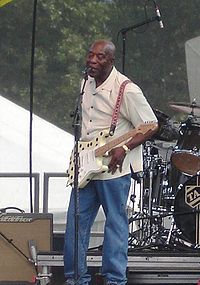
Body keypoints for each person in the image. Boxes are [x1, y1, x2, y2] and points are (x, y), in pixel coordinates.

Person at [64, 39, 158, 285]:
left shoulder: (127, 89)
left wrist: (124, 147)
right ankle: (76, 278)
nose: (92, 60)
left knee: (115, 223)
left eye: (99, 57)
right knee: (76, 224)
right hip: (86, 166)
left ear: (110, 60)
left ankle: (115, 280)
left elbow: (151, 125)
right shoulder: (85, 83)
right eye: (90, 55)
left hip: (114, 169)